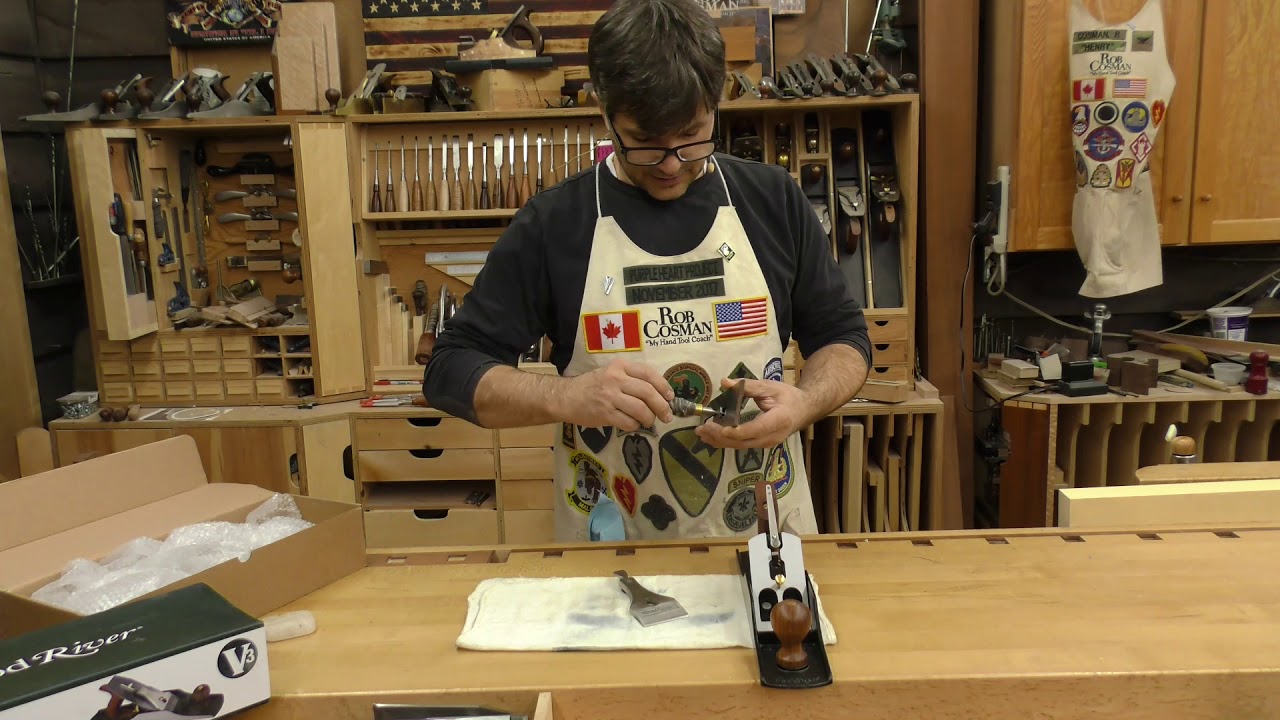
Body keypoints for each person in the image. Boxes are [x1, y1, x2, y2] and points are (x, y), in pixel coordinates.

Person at [424, 0, 871, 542]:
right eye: (645, 143)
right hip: (612, 551)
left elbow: (845, 340)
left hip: (761, 542)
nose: (671, 164)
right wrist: (565, 397)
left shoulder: (772, 201)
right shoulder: (555, 224)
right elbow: (449, 370)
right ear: (605, 113)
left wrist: (804, 403)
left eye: (692, 136)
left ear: (718, 102)